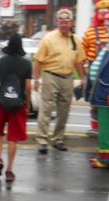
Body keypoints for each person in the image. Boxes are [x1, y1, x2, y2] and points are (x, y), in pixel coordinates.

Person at [33, 8, 86, 154]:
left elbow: (79, 61)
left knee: (64, 111)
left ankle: (58, 139)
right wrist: (36, 79)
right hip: (50, 76)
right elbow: (38, 60)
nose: (64, 24)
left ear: (71, 22)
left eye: (67, 21)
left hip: (68, 78)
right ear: (57, 22)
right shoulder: (48, 38)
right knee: (46, 109)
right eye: (61, 21)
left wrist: (83, 78)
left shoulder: (75, 39)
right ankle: (42, 140)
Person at [0, 34, 32, 182]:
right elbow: (28, 87)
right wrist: (27, 103)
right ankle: (9, 170)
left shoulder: (0, 62)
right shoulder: (27, 64)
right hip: (17, 104)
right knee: (13, 137)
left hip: (1, 103)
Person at [81, 0, 109, 136]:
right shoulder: (90, 31)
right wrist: (86, 69)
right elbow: (83, 50)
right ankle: (94, 127)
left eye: (107, 9)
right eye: (101, 10)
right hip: (94, 70)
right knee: (94, 98)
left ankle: (105, 128)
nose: (104, 13)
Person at [86, 12, 109, 169]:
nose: (106, 28)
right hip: (101, 93)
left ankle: (105, 160)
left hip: (105, 94)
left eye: (108, 25)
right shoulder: (106, 45)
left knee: (106, 129)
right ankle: (103, 157)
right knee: (104, 128)